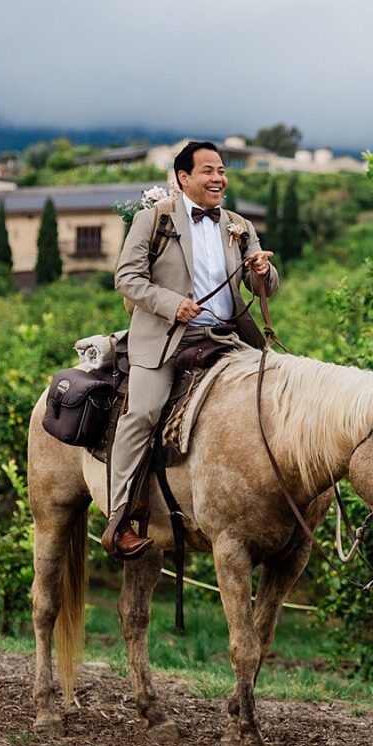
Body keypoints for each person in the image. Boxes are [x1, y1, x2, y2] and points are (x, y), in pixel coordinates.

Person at [100, 140, 278, 559]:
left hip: (225, 339)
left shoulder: (239, 225)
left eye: (222, 171)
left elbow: (262, 287)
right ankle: (119, 518)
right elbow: (126, 278)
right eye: (208, 171)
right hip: (164, 339)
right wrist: (171, 304)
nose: (219, 178)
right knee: (141, 413)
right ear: (184, 178)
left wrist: (263, 271)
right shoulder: (152, 219)